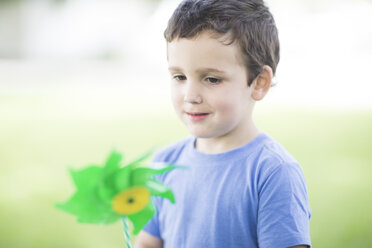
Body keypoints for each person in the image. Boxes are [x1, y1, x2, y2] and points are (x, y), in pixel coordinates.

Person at [134, 0, 311, 247]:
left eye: (212, 79)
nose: (190, 95)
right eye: (179, 76)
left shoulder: (273, 172)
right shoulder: (164, 164)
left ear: (259, 82)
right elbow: (147, 242)